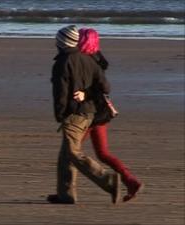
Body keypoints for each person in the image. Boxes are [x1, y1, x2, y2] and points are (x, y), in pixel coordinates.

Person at [48, 25, 121, 204]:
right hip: (89, 113)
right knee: (66, 154)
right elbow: (105, 87)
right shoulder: (89, 60)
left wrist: (60, 114)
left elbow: (61, 93)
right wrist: (87, 95)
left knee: (73, 153)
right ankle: (66, 194)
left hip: (74, 114)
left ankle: (108, 180)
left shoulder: (62, 62)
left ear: (62, 42)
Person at [75, 28, 143, 202]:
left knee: (71, 152)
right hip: (101, 113)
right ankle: (130, 180)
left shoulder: (86, 61)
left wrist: (84, 94)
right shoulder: (97, 59)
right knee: (102, 153)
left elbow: (100, 89)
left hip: (90, 114)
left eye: (78, 38)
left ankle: (67, 191)